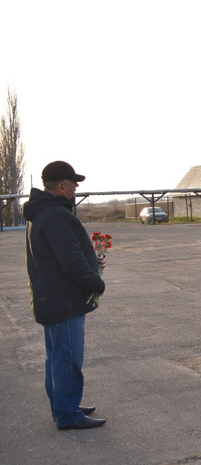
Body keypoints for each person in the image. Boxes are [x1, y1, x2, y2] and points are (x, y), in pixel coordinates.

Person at [23, 160, 106, 430]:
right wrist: (95, 282)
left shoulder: (42, 213)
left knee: (57, 357)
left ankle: (64, 405)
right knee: (67, 360)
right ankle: (68, 414)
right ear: (61, 186)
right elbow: (71, 263)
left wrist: (91, 262)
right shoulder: (57, 216)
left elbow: (61, 257)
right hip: (64, 301)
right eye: (73, 183)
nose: (76, 188)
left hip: (51, 299)